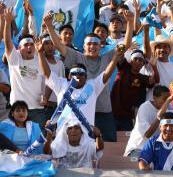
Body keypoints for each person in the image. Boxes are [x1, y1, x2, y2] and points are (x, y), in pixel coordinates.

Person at [44, 8, 133, 141]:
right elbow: (59, 46)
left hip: (103, 111)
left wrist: (130, 23)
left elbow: (124, 46)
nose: (92, 46)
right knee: (81, 147)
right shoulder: (77, 57)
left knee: (107, 147)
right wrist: (49, 26)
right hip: (81, 115)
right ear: (84, 46)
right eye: (89, 44)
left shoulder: (107, 57)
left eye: (95, 44)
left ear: (101, 46)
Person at [38, 36, 124, 127]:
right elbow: (47, 73)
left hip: (86, 137)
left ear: (86, 76)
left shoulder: (92, 86)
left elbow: (107, 74)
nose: (77, 76)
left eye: (81, 73)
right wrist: (40, 53)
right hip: (63, 136)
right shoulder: (62, 84)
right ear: (69, 76)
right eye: (74, 73)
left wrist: (115, 58)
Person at [3, 7, 46, 129]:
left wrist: (32, 15)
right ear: (19, 49)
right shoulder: (15, 59)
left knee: (38, 143)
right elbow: (7, 42)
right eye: (25, 45)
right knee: (17, 141)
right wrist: (7, 22)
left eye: (31, 45)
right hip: (18, 110)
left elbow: (34, 34)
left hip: (37, 109)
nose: (29, 47)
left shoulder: (39, 57)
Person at [111, 49, 159, 131]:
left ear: (143, 64)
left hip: (128, 118)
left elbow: (156, 80)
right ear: (130, 61)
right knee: (110, 141)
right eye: (135, 59)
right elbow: (121, 56)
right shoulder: (123, 68)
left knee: (125, 141)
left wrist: (154, 67)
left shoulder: (143, 78)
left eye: (141, 60)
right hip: (112, 113)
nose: (137, 62)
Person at [123, 85, 170, 157]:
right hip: (138, 149)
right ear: (154, 98)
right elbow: (147, 134)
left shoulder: (168, 109)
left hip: (155, 150)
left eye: (168, 100)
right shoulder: (144, 107)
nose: (167, 102)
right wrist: (159, 116)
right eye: (164, 99)